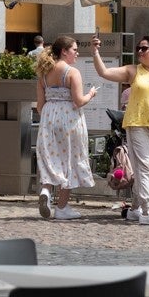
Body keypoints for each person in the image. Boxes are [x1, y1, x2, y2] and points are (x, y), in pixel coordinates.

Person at [91, 34, 149, 226]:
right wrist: (95, 51)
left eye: (144, 48)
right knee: (144, 165)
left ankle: (134, 209)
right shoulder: (133, 71)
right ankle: (147, 211)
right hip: (137, 123)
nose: (140, 52)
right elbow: (104, 72)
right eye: (138, 49)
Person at [35, 36, 98, 220]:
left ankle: (46, 191)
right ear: (64, 51)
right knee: (70, 158)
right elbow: (79, 101)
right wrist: (91, 94)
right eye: (75, 50)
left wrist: (49, 114)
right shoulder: (72, 72)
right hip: (68, 118)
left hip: (48, 117)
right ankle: (62, 207)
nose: (77, 53)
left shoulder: (43, 73)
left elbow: (39, 105)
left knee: (51, 158)